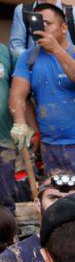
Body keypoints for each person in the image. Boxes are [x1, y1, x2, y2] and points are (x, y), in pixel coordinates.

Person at [8, 3, 75, 187]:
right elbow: (17, 95)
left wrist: (57, 50)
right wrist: (20, 123)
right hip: (50, 145)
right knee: (56, 202)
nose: (41, 27)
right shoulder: (28, 58)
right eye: (36, 23)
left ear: (64, 27)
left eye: (47, 23)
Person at [0, 41, 17, 212]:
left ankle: (7, 238)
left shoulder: (4, 51)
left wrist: (26, 125)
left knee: (6, 199)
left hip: (4, 140)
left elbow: (19, 92)